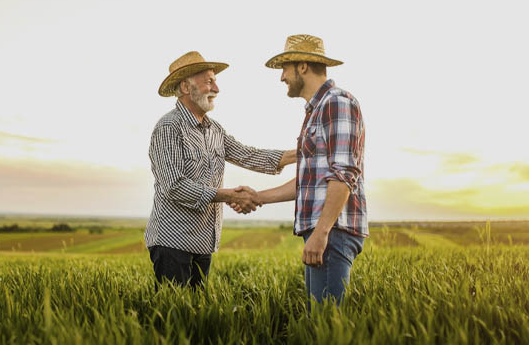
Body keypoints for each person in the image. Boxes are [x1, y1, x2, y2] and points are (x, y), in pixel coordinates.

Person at [235, 34, 368, 306]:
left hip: (332, 232)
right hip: (325, 231)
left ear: (303, 66)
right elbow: (308, 184)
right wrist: (257, 197)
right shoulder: (316, 110)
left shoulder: (336, 102)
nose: (281, 77)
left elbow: (343, 175)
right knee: (315, 326)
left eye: (285, 68)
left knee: (325, 328)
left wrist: (321, 232)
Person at [145, 51, 296, 289]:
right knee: (173, 318)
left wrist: (300, 153)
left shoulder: (215, 129)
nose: (216, 88)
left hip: (203, 241)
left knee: (197, 317)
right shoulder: (168, 127)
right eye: (209, 81)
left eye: (215, 81)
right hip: (172, 242)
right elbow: (174, 186)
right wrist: (227, 195)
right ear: (186, 86)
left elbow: (248, 154)